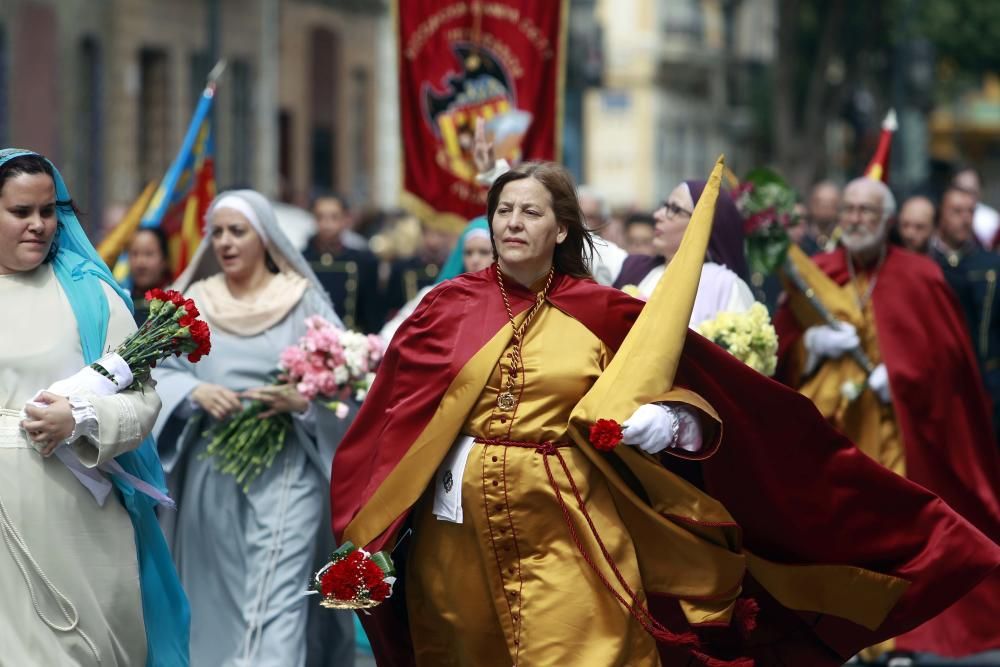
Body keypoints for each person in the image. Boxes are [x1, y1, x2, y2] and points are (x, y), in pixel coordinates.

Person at [329, 161, 1000, 667]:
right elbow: (392, 422)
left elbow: (703, 391)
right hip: (457, 542)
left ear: (561, 228)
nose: (511, 224)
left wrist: (669, 420)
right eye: (503, 210)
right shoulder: (444, 309)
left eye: (529, 212)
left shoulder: (602, 310)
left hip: (570, 530)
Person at [774, 177, 1000, 659]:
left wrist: (898, 377)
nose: (855, 219)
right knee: (840, 534)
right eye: (850, 210)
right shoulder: (818, 271)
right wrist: (810, 349)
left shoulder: (921, 276)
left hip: (897, 433)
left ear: (887, 221)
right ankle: (841, 627)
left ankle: (894, 635)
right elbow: (783, 349)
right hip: (834, 435)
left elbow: (948, 365)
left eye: (866, 212)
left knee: (893, 533)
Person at [0, 148, 188, 665]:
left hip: (77, 521)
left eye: (49, 211)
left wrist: (79, 418)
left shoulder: (92, 295)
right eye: (21, 212)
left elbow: (143, 401)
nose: (39, 225)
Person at [151, 190, 354, 667]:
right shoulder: (195, 301)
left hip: (287, 465)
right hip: (212, 469)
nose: (225, 242)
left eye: (236, 231)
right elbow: (152, 372)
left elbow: (345, 380)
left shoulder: (301, 301)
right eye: (216, 232)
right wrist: (192, 391)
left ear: (264, 237)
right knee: (216, 593)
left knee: (279, 594)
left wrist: (301, 401)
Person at [612, 180, 755, 327]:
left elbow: (740, 345)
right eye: (665, 205)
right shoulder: (636, 267)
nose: (657, 215)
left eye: (674, 209)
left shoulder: (726, 285)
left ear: (704, 224)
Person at [929, 186, 1000, 443]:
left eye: (970, 211)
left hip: (987, 384)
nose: (965, 218)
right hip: (938, 385)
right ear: (941, 215)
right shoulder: (926, 264)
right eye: (956, 211)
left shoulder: (992, 265)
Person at [380, 216, 493, 344]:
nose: (475, 260)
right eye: (468, 252)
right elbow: (393, 332)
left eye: (484, 252)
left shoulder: (507, 297)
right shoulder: (440, 293)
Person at [304, 192, 383, 334]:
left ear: (346, 219)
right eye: (320, 217)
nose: (327, 224)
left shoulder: (364, 262)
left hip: (351, 344)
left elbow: (372, 313)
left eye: (334, 217)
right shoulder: (302, 260)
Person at [126, 226, 173, 325]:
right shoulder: (122, 304)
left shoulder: (175, 308)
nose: (140, 263)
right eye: (134, 254)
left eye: (149, 254)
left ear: (164, 260)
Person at [953, 166, 1000, 249]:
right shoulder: (944, 213)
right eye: (961, 190)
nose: (965, 196)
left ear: (980, 191)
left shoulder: (992, 220)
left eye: (971, 191)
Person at [801, 180, 841, 254]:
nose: (825, 207)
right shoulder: (800, 236)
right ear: (811, 204)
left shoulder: (843, 240)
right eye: (820, 202)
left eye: (831, 203)